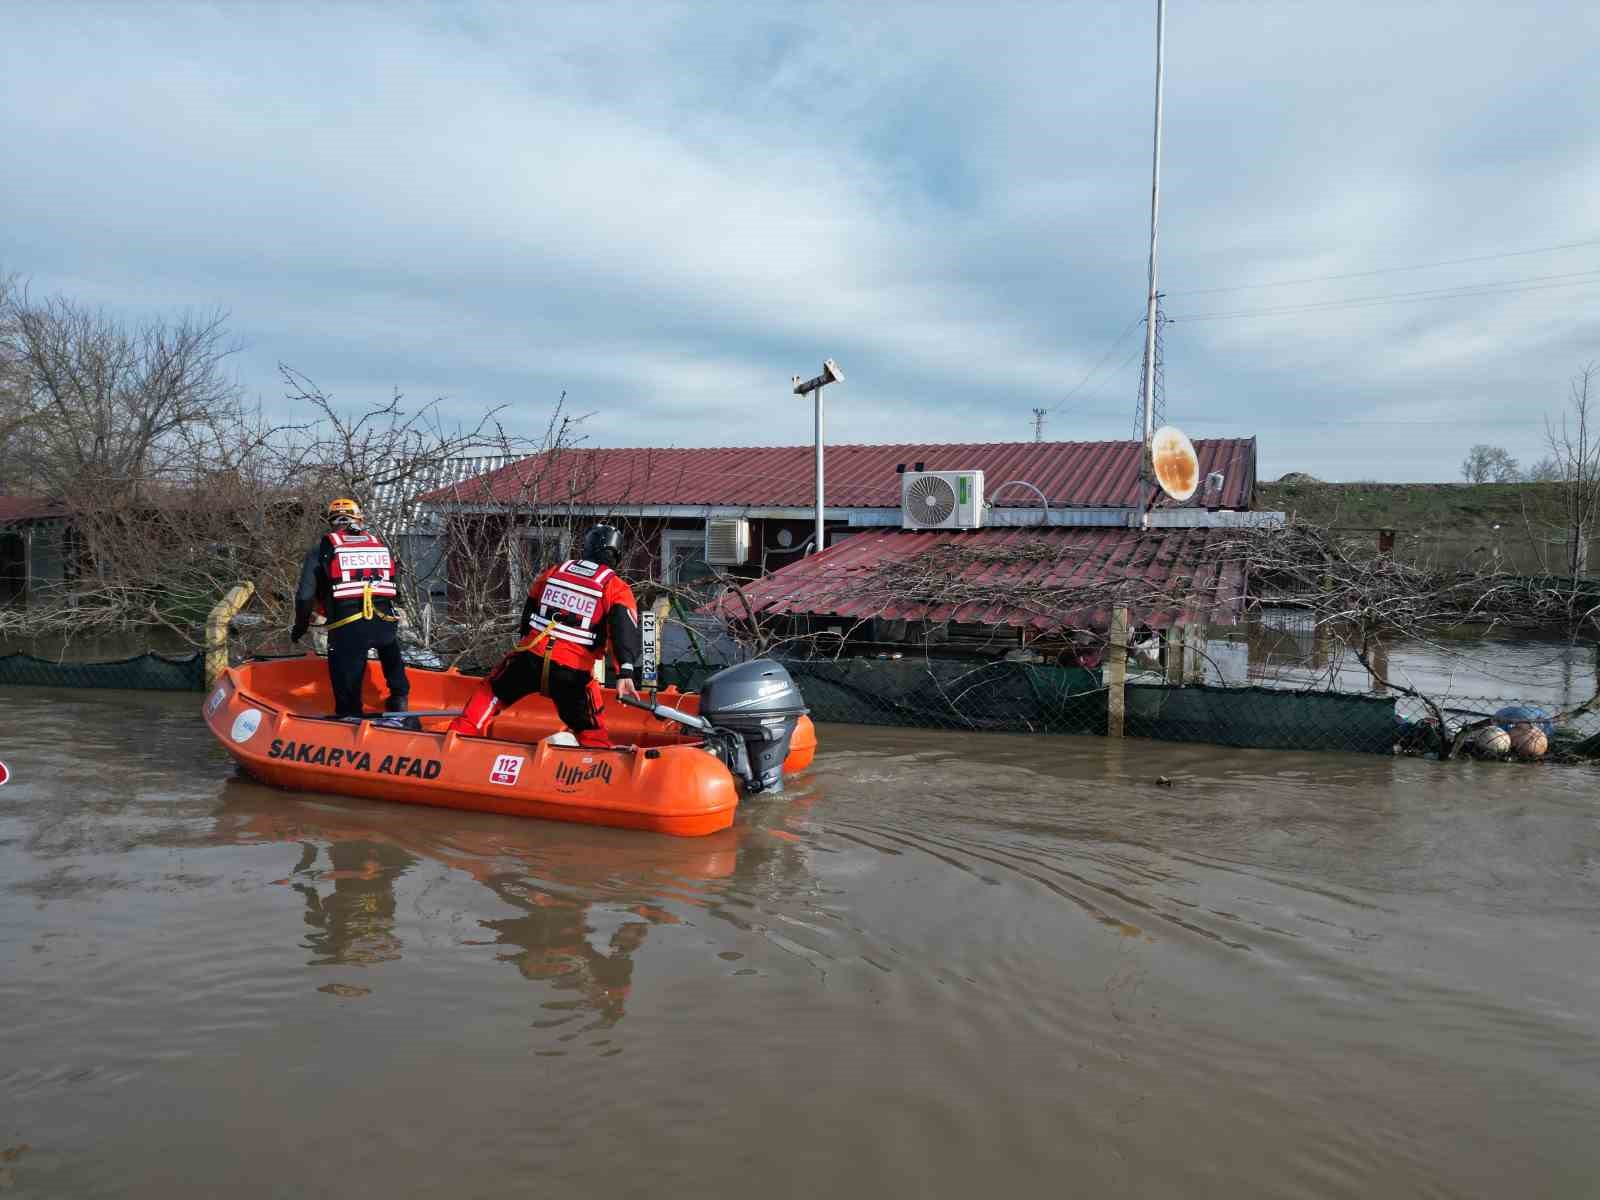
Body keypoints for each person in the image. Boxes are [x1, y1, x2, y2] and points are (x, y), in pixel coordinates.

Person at [449, 523, 641, 747]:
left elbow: (529, 612)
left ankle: (458, 737)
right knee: (590, 726)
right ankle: (597, 759)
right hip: (573, 672)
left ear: (587, 547)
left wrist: (526, 644)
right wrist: (625, 672)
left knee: (492, 690)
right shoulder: (615, 587)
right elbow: (623, 630)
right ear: (617, 554)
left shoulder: (555, 571)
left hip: (531, 657)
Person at [292, 498, 410, 719]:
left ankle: (350, 718)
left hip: (348, 628)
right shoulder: (378, 544)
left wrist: (300, 626)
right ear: (359, 520)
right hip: (385, 625)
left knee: (345, 680)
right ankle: (399, 698)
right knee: (390, 649)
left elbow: (304, 596)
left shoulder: (322, 549)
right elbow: (394, 587)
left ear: (331, 522)